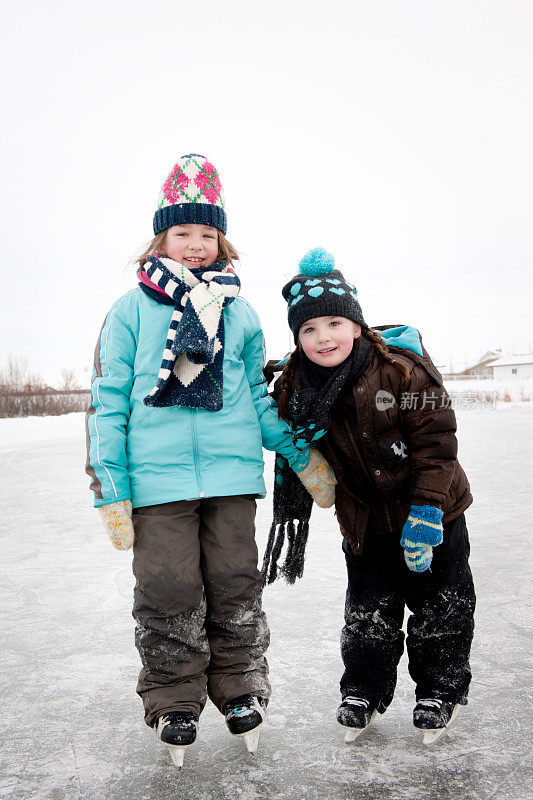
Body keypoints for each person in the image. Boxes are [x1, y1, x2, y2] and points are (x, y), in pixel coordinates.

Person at [85, 155, 333, 767]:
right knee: (168, 588)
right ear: (160, 238)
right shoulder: (130, 310)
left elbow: (254, 398)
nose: (195, 246)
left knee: (234, 585)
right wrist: (110, 484)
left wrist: (301, 454)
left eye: (206, 234)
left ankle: (240, 688)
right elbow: (107, 400)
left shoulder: (240, 311)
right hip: (156, 480)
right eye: (182, 233)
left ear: (221, 240)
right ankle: (174, 698)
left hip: (229, 477)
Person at [263, 247, 476, 744]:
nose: (323, 337)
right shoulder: (294, 386)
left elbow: (437, 445)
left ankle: (439, 690)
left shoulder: (402, 371)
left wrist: (427, 512)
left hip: (434, 507)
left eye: (334, 322)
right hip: (364, 517)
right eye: (308, 330)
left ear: (356, 325)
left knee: (441, 603)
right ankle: (363, 689)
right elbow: (278, 428)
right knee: (368, 609)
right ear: (297, 338)